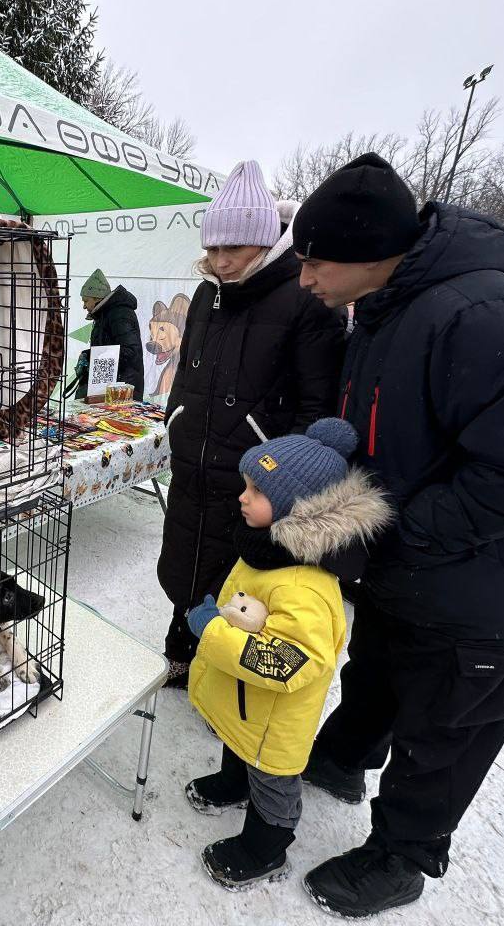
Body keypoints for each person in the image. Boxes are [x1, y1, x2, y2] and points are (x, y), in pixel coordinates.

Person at [291, 153, 504, 916]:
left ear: (370, 253)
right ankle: (344, 757)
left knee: (446, 730)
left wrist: (403, 527)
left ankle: (402, 856)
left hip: (480, 591)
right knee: (379, 671)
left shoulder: (488, 313)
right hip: (409, 573)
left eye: (315, 262)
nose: (304, 279)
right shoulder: (385, 310)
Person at [158, 161, 345, 689]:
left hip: (254, 472)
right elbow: (185, 367)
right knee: (186, 558)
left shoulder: (305, 300)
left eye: (232, 250)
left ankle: (225, 677)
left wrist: (285, 480)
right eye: (213, 249)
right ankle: (181, 648)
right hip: (194, 459)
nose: (219, 261)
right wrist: (176, 418)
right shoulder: (204, 295)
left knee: (238, 579)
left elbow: (318, 400)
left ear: (265, 242)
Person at [183, 418, 391, 891]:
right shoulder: (265, 549)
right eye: (246, 485)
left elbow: (286, 662)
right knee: (236, 743)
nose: (242, 496)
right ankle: (232, 784)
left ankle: (266, 847)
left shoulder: (307, 587)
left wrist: (213, 631)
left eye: (256, 490)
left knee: (272, 781)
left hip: (273, 720)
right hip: (242, 704)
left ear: (296, 510)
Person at [74, 269, 144, 400]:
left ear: (97, 298)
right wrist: (90, 355)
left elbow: (130, 352)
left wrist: (92, 357)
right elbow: (111, 347)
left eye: (86, 301)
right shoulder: (107, 314)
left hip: (121, 387)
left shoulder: (119, 314)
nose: (84, 306)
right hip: (115, 386)